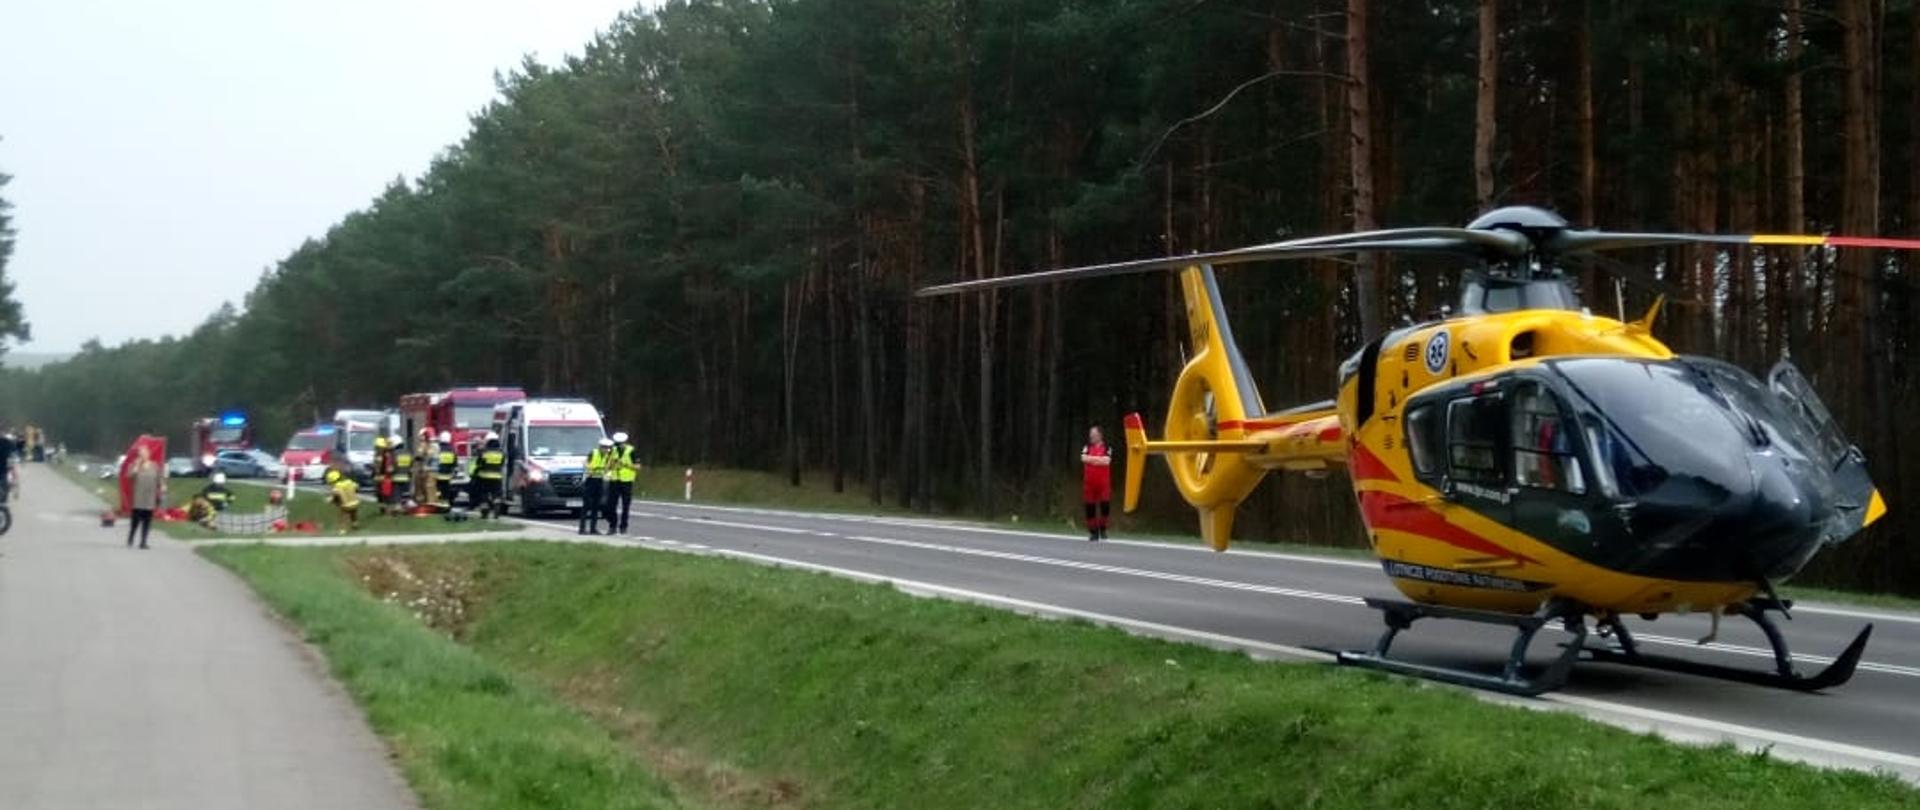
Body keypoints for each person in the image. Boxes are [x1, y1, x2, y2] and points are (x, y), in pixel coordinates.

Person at [126, 446, 166, 549]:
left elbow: (159, 478)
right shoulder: (133, 465)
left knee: (147, 521)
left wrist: (162, 486)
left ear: (148, 454)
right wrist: (136, 466)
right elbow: (130, 477)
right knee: (136, 521)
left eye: (144, 453)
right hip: (138, 497)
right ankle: (131, 536)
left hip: (150, 497)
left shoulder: (154, 466)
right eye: (140, 453)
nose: (142, 455)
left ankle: (143, 541)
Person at [1080, 425, 1113, 541]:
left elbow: (1107, 461)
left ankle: (1102, 528)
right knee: (1090, 508)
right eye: (1090, 434)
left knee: (1105, 506)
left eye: (1093, 434)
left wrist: (1092, 459)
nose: (1091, 437)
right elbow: (1083, 458)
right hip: (1089, 484)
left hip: (1103, 483)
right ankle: (1093, 532)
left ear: (1099, 435)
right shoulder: (1087, 447)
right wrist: (1098, 460)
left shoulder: (1107, 447)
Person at [605, 431, 637, 535]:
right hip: (614, 480)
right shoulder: (612, 451)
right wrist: (611, 465)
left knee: (625, 505)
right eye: (617, 444)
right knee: (610, 505)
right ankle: (612, 525)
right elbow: (607, 466)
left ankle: (623, 526)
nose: (618, 446)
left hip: (627, 481)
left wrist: (625, 465)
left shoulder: (631, 451)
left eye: (620, 444)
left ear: (625, 442)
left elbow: (638, 467)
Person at [580, 437, 613, 535]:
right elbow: (585, 463)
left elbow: (607, 467)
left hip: (599, 481)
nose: (606, 450)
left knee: (596, 506)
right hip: (590, 480)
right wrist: (590, 468)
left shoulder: (607, 456)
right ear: (600, 447)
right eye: (605, 448)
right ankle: (582, 529)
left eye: (608, 448)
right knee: (586, 506)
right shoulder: (593, 453)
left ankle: (593, 528)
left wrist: (607, 470)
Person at [469, 433, 506, 518]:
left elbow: (479, 463)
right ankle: (496, 504)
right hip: (497, 477)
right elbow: (502, 463)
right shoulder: (501, 452)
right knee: (496, 493)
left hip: (484, 477)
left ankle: (485, 510)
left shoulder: (484, 452)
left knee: (483, 494)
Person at [325, 468, 360, 534]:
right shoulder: (349, 482)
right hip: (355, 503)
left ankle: (342, 530)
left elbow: (334, 497)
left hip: (346, 505)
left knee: (343, 516)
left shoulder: (336, 487)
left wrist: (329, 500)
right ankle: (355, 523)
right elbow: (357, 487)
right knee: (353, 513)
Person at [433, 432, 458, 509]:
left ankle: (437, 504)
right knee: (446, 491)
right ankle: (446, 505)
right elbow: (454, 464)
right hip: (447, 476)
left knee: (437, 490)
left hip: (437, 475)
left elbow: (432, 462)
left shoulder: (437, 449)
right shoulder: (452, 450)